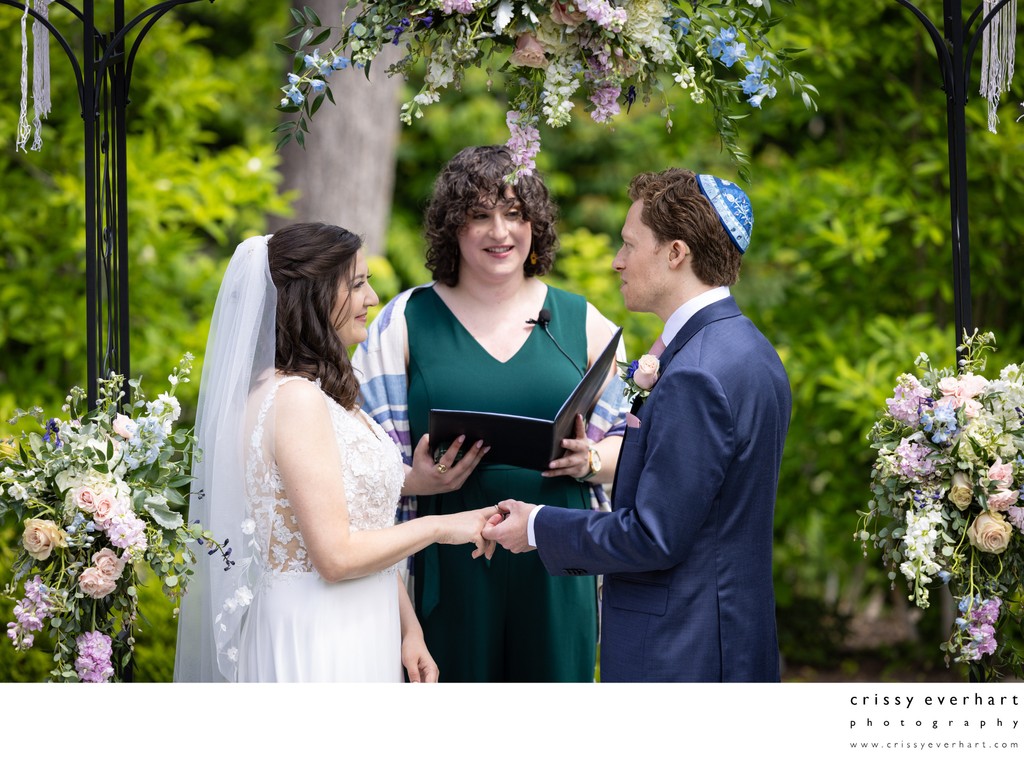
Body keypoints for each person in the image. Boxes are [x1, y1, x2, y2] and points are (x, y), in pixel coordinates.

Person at [483, 169, 792, 682]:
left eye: (629, 244)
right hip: (734, 635)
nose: (617, 261)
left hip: (680, 651)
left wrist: (537, 526)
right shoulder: (751, 350)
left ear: (676, 253)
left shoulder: (695, 371)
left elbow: (653, 536)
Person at [351, 145, 631, 682]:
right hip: (447, 557)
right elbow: (351, 457)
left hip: (556, 557)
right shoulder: (405, 320)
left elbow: (638, 446)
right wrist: (415, 479)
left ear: (535, 225)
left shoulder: (583, 320)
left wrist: (589, 459)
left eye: (514, 214)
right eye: (479, 215)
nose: (499, 232)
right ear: (451, 228)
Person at [173, 222, 496, 683]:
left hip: (364, 621)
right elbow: (336, 555)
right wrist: (442, 526)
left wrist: (408, 628)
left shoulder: (320, 397)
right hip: (317, 634)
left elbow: (364, 526)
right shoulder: (295, 400)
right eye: (358, 284)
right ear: (315, 296)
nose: (372, 298)